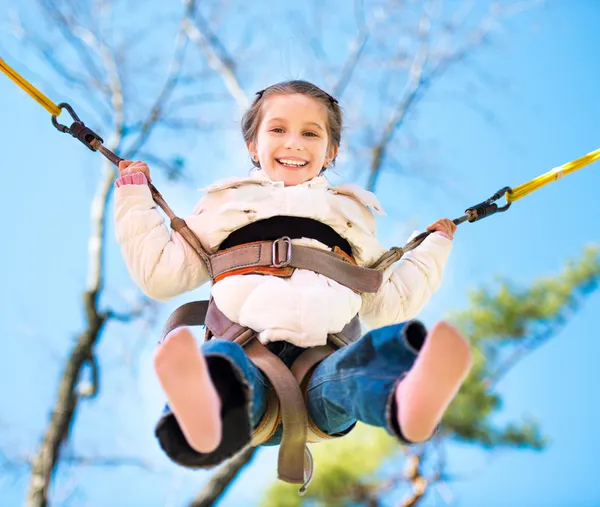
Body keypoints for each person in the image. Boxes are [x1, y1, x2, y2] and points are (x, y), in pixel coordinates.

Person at [113, 80, 472, 472]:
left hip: (326, 368)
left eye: (310, 133)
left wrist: (432, 249)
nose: (295, 143)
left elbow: (390, 299)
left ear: (330, 150)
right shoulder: (225, 205)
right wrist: (134, 199)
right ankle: (205, 415)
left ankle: (405, 398)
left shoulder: (351, 217)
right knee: (222, 363)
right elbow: (161, 275)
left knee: (367, 361)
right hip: (246, 355)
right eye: (278, 129)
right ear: (253, 145)